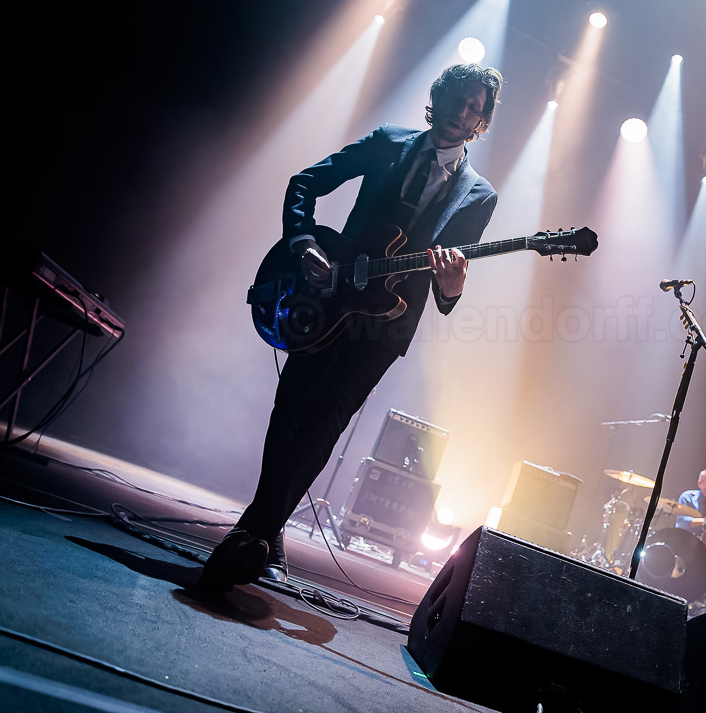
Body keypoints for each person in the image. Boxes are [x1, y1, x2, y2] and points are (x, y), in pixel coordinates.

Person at [199, 63, 505, 592]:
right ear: (438, 97)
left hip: (385, 324)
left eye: (474, 107)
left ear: (482, 121)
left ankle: (256, 530)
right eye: (457, 99)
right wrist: (303, 243)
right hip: (330, 295)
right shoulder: (387, 142)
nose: (462, 112)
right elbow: (304, 182)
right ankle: (266, 532)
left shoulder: (479, 196)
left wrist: (453, 285)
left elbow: (445, 287)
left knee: (327, 420)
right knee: (291, 407)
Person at [675, 468, 706, 537]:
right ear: (699, 483)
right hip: (681, 538)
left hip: (702, 543)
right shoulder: (687, 497)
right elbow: (682, 522)